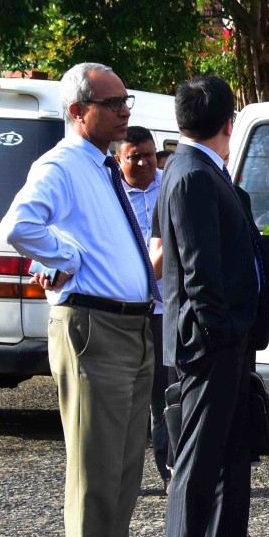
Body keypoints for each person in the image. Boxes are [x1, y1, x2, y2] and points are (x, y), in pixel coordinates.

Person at [3, 62, 161, 537]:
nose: (126, 110)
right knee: (96, 478)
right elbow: (21, 226)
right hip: (94, 328)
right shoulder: (62, 164)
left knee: (122, 476)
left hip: (128, 329)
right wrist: (64, 253)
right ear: (78, 111)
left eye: (127, 99)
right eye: (114, 101)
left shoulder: (98, 166)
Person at [158, 75, 269, 537]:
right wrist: (221, 332)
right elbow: (196, 270)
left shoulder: (206, 171)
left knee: (236, 451)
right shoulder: (190, 175)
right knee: (199, 454)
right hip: (209, 343)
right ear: (228, 124)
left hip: (229, 338)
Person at [116, 125, 170, 494]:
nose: (143, 162)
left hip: (167, 311)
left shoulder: (172, 186)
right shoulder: (112, 194)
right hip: (126, 310)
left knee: (166, 397)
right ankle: (123, 477)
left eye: (148, 154)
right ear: (119, 159)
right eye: (134, 156)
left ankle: (171, 474)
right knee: (126, 399)